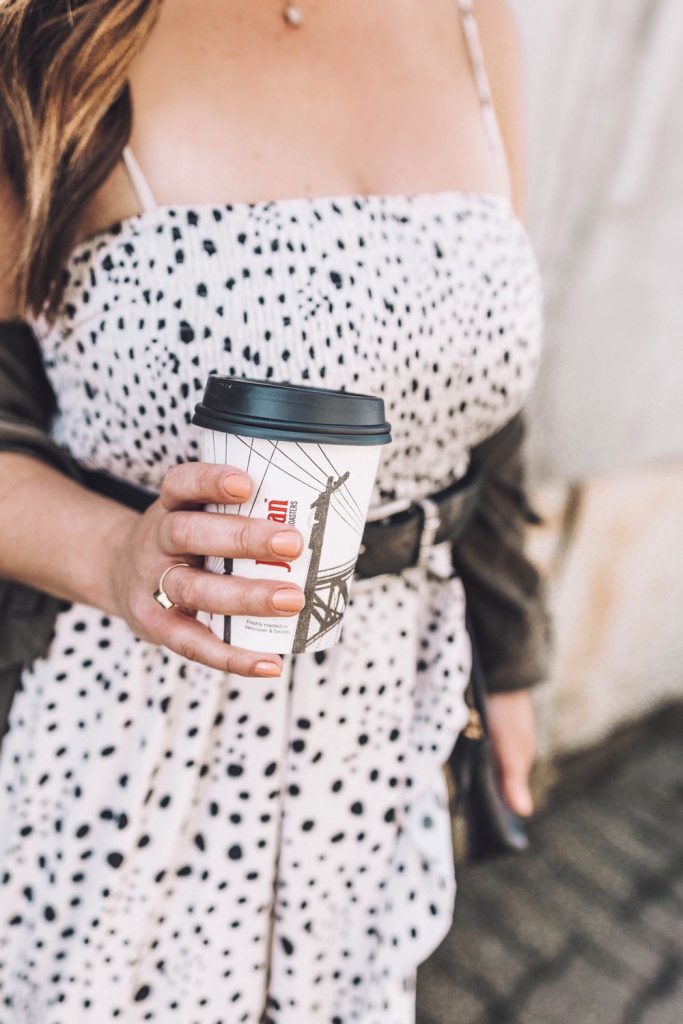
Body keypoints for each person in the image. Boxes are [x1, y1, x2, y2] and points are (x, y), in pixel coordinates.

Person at [0, 1, 546, 1020]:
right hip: (130, 732)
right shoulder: (53, 32)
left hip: (377, 722)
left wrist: (507, 656)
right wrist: (112, 550)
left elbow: (488, 409)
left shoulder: (477, 23)